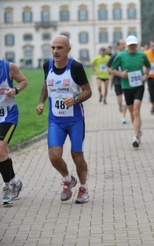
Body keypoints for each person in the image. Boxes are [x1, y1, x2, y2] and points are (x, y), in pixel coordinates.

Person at [36, 35, 92, 204]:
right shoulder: (47, 66)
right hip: (55, 120)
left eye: (60, 48)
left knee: (77, 156)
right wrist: (40, 102)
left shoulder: (75, 67)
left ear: (68, 49)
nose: (55, 51)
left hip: (75, 120)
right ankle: (68, 180)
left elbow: (88, 91)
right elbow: (46, 84)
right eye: (53, 48)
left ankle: (83, 188)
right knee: (54, 157)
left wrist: (75, 99)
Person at [110, 35, 151, 148]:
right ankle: (137, 130)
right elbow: (112, 69)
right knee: (132, 112)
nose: (132, 47)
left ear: (137, 45)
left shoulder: (142, 55)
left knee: (136, 111)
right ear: (127, 46)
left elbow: (148, 67)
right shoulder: (121, 56)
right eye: (130, 45)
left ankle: (135, 137)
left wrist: (146, 75)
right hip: (126, 87)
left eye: (134, 45)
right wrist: (121, 74)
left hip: (139, 86)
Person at [0, 60, 28, 205]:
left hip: (8, 116)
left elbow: (23, 81)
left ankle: (7, 187)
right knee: (2, 153)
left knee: (0, 150)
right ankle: (15, 182)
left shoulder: (8, 67)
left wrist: (15, 90)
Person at [107, 39, 128, 124]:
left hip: (126, 81)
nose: (124, 46)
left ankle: (123, 116)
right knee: (119, 101)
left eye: (125, 44)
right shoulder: (114, 56)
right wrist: (116, 73)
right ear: (118, 46)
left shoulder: (128, 55)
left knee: (125, 100)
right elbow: (108, 67)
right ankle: (120, 106)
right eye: (122, 44)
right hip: (117, 81)